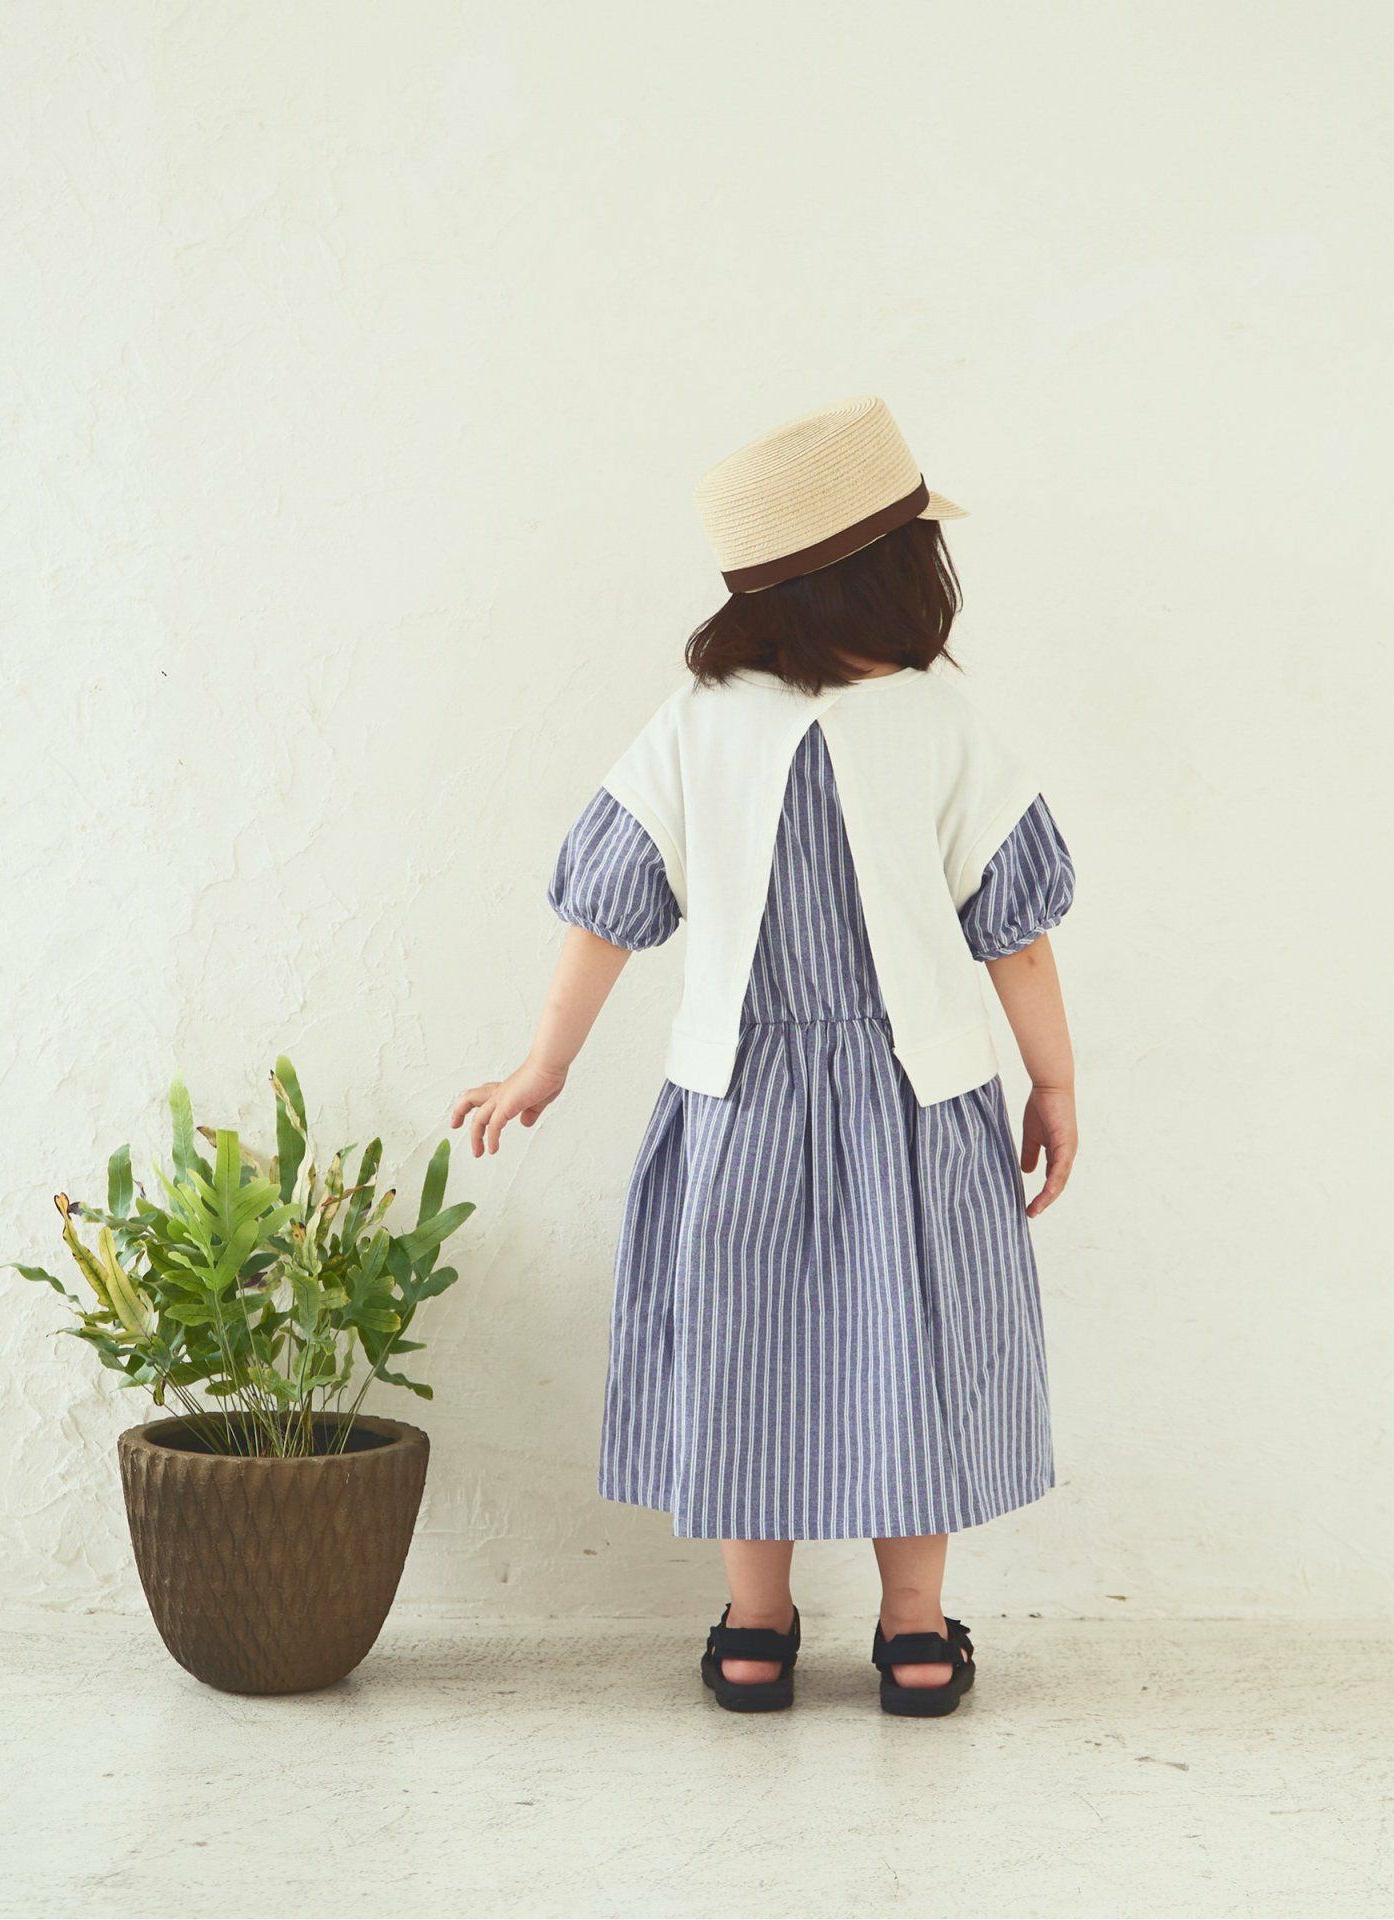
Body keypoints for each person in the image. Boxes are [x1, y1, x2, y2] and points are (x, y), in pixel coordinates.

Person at [453, 396, 1077, 1718]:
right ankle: (915, 1631)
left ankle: (754, 1628)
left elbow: (605, 911)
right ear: (896, 571)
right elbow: (1014, 931)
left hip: (737, 1103)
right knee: (913, 1347)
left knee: (745, 1350)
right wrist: (1055, 1081)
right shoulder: (942, 720)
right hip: (918, 1104)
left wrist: (541, 1066)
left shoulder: (697, 724)